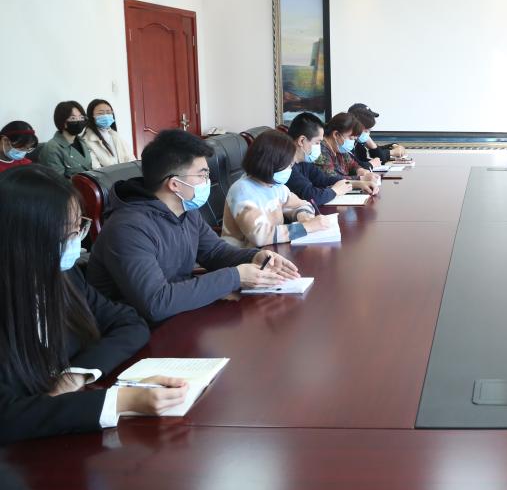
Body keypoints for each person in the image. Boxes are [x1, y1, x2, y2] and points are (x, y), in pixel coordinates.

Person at [0, 165, 188, 444]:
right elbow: (7, 417)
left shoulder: (65, 276)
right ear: (25, 239)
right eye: (68, 232)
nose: (77, 242)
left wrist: (76, 375)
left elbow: (129, 322)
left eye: (80, 227)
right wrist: (119, 401)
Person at [87, 129, 298, 325]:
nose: (208, 181)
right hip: (136, 330)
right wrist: (235, 277)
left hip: (180, 314)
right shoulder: (127, 228)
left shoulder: (185, 210)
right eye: (202, 175)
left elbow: (215, 252)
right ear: (174, 184)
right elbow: (156, 302)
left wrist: (254, 257)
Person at [221, 130, 336, 248]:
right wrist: (306, 227)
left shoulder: (276, 186)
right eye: (289, 164)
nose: (290, 169)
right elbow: (260, 236)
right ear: (271, 162)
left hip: (272, 250)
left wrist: (303, 216)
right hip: (245, 256)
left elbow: (302, 204)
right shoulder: (242, 190)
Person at [284, 112, 353, 206]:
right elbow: (311, 196)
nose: (319, 146)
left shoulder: (304, 161)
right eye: (317, 142)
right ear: (301, 141)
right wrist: (335, 191)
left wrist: (355, 183)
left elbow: (323, 180)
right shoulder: (285, 166)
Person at [315, 112, 381, 195]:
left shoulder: (339, 148)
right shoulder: (320, 149)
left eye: (354, 139)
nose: (352, 141)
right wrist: (361, 179)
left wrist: (360, 170)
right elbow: (330, 178)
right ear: (336, 134)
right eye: (350, 138)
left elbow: (352, 164)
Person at [36, 101, 93, 177]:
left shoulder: (82, 141)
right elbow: (57, 181)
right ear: (62, 122)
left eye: (81, 117)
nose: (79, 121)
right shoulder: (52, 149)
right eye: (73, 118)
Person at [81, 98, 136, 167]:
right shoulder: (87, 140)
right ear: (91, 116)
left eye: (108, 112)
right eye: (100, 113)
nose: (105, 116)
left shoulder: (115, 135)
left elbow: (130, 158)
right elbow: (95, 168)